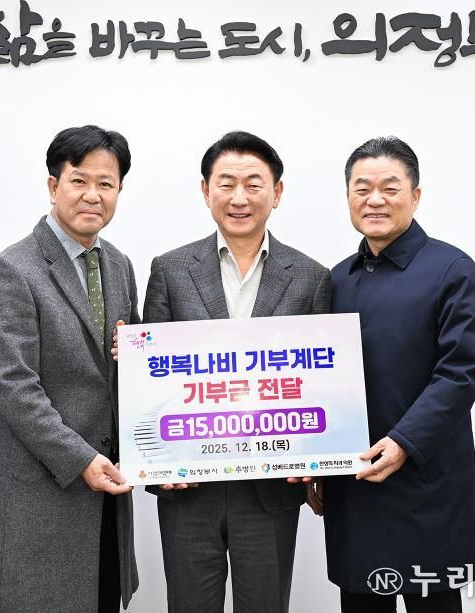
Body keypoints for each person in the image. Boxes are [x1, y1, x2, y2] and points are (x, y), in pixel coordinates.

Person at [142, 131, 331, 613]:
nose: (239, 197)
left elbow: (323, 384)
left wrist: (319, 463)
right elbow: (151, 382)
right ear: (206, 190)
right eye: (226, 184)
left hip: (271, 491)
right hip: (188, 489)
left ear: (277, 193)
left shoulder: (311, 278)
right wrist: (156, 467)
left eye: (253, 184)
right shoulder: (169, 270)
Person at [320, 136, 475, 613]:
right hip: (356, 486)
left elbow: (461, 372)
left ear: (415, 196)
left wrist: (403, 442)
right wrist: (316, 462)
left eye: (389, 188)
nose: (374, 200)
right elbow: (315, 380)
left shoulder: (452, 270)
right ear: (348, 197)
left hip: (425, 481)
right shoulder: (336, 279)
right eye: (362, 188)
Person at [0, 125, 140, 613]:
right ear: (54, 186)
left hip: (107, 492)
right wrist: (80, 459)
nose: (93, 195)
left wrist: (135, 353)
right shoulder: (12, 269)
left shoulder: (118, 264)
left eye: (106, 183)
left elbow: (128, 368)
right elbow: (13, 386)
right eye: (79, 180)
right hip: (44, 491)